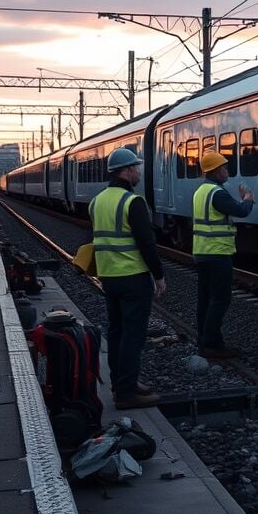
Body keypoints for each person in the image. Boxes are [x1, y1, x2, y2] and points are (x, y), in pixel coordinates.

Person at [89, 148, 166, 409]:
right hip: (133, 276)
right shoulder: (132, 202)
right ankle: (126, 394)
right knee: (133, 335)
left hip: (108, 277)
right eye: (136, 168)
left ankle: (122, 384)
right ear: (128, 170)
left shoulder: (96, 201)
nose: (139, 173)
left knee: (117, 332)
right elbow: (147, 243)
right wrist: (159, 275)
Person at [192, 151, 255, 359]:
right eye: (225, 168)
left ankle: (205, 340)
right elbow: (241, 211)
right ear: (217, 171)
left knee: (205, 299)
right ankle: (211, 344)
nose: (227, 171)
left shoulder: (201, 191)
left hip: (202, 252)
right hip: (217, 253)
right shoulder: (217, 193)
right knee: (220, 299)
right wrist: (248, 199)